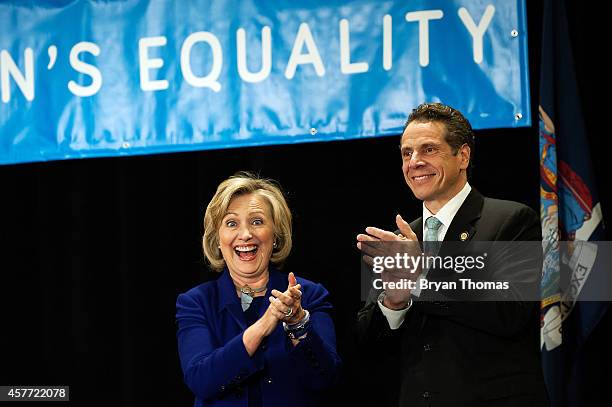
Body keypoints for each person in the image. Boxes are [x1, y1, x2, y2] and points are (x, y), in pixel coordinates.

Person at [355, 103, 549, 406]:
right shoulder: (398, 239)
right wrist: (394, 302)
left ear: (463, 156)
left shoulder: (511, 220)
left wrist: (420, 277)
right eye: (407, 153)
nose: (414, 162)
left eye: (429, 149)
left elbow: (511, 313)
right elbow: (368, 343)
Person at [177, 172, 341, 407]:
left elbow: (325, 379)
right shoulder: (196, 302)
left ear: (275, 234)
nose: (245, 234)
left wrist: (297, 324)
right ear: (217, 238)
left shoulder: (309, 295)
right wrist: (265, 324)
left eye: (257, 221)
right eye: (231, 223)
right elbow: (201, 380)